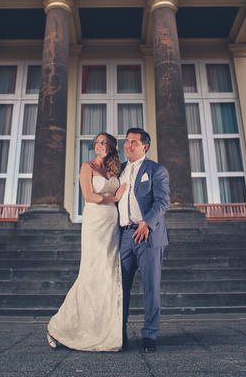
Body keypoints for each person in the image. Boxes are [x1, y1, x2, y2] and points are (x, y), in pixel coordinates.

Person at [47, 132, 129, 351]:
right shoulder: (87, 167)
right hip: (95, 222)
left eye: (105, 143)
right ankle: (58, 326)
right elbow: (88, 195)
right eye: (97, 143)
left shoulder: (115, 169)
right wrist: (115, 197)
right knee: (91, 273)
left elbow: (123, 190)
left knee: (108, 275)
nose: (100, 145)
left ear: (112, 146)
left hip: (112, 223)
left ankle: (103, 331)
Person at [117, 127, 170, 353]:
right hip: (125, 236)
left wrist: (146, 223)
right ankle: (118, 333)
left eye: (134, 142)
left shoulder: (156, 170)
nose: (128, 145)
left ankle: (149, 335)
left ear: (145, 146)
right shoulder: (119, 170)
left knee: (151, 287)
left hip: (147, 234)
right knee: (120, 289)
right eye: (127, 141)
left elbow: (162, 202)